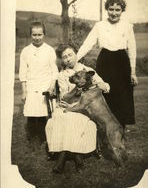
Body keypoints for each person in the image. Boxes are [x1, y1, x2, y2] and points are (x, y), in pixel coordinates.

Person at [45, 44, 110, 173]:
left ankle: (62, 158)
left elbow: (106, 86)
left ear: (76, 54)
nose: (68, 59)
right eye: (64, 57)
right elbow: (65, 97)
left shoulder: (87, 70)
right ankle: (77, 157)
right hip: (69, 104)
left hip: (85, 106)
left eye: (70, 55)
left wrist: (99, 84)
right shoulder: (62, 75)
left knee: (73, 117)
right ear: (62, 60)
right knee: (64, 116)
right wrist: (76, 89)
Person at [77, 0, 138, 130]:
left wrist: (133, 72)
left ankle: (120, 132)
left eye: (117, 10)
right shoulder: (99, 26)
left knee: (122, 98)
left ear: (122, 10)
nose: (114, 13)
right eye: (111, 9)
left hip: (122, 62)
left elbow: (132, 49)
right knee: (105, 95)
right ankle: (103, 131)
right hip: (105, 62)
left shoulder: (127, 26)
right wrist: (75, 60)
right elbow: (87, 45)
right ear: (107, 9)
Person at [19, 21, 58, 145]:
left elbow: (54, 71)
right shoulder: (26, 51)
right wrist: (24, 91)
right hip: (31, 86)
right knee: (31, 114)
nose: (37, 38)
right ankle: (31, 137)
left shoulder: (49, 50)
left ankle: (43, 137)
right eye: (34, 35)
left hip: (45, 86)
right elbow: (23, 73)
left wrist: (51, 87)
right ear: (30, 35)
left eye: (39, 35)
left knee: (43, 114)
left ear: (44, 34)